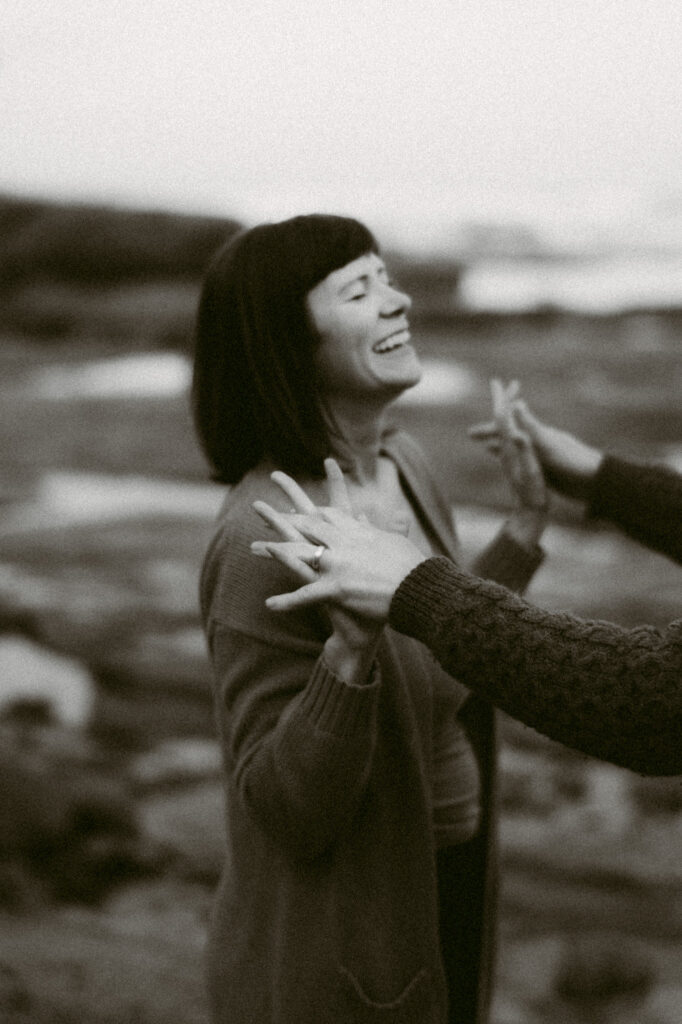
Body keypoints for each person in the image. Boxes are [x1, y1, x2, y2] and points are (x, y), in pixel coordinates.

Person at [192, 214, 549, 1024]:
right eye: (362, 289)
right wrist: (348, 653)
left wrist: (523, 531)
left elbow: (445, 649)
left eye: (389, 279)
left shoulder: (406, 465)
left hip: (445, 885)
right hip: (349, 940)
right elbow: (284, 808)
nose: (401, 301)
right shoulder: (262, 533)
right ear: (290, 343)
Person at [251, 404, 681, 777]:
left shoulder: (405, 463)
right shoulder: (252, 524)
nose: (401, 303)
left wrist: (418, 588)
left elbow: (656, 703)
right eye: (356, 299)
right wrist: (608, 480)